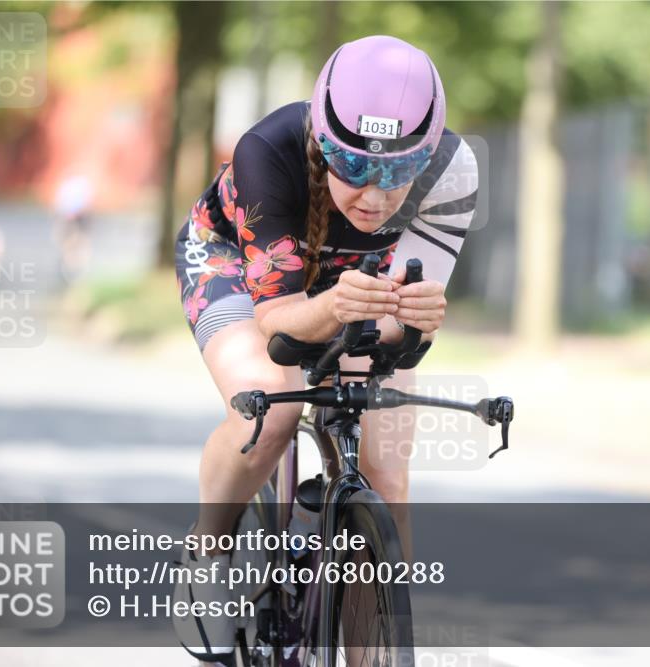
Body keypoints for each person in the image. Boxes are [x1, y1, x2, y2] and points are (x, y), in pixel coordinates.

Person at [171, 35, 478, 663]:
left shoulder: (454, 170)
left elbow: (404, 341)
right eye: (355, 169)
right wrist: (337, 308)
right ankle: (207, 553)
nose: (375, 196)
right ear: (323, 142)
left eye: (398, 173)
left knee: (388, 466)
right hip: (235, 265)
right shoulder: (268, 151)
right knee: (273, 409)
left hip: (357, 290)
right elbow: (281, 331)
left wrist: (415, 320)